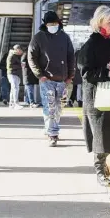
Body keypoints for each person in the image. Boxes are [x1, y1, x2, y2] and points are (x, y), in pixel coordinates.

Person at [77, 5, 110, 187]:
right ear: (100, 22)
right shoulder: (90, 44)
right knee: (100, 135)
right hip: (96, 97)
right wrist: (106, 71)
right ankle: (100, 170)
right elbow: (85, 72)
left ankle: (103, 165)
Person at [28, 11, 75, 147]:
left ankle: (50, 128)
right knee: (50, 107)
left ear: (58, 23)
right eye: (50, 24)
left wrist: (70, 76)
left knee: (59, 107)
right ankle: (52, 134)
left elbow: (71, 56)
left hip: (62, 79)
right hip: (46, 79)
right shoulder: (38, 38)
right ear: (45, 24)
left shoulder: (65, 37)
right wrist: (39, 75)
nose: (52, 26)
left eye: (54, 23)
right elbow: (31, 57)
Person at [7, 44, 24, 110]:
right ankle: (16, 103)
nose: (21, 52)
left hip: (15, 74)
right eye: (20, 50)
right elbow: (10, 66)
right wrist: (20, 65)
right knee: (15, 89)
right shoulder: (12, 56)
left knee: (13, 89)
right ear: (17, 50)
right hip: (12, 74)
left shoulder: (15, 56)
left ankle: (11, 104)